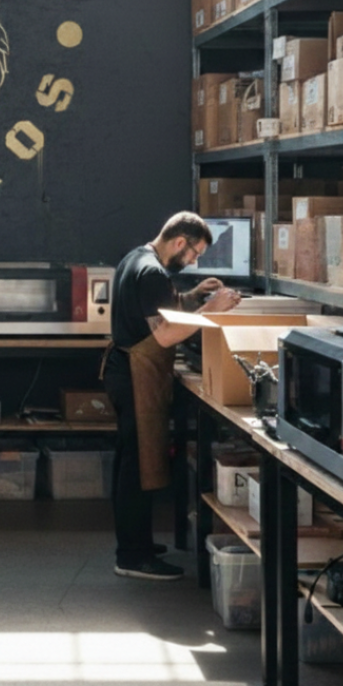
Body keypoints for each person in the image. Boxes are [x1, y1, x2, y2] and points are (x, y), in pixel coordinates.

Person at [103, 212, 241, 581]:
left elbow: (158, 308)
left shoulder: (136, 258)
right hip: (136, 373)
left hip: (124, 369)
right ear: (180, 242)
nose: (194, 261)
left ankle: (137, 544)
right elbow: (163, 333)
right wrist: (210, 310)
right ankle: (132, 557)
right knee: (136, 466)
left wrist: (193, 297)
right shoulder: (152, 273)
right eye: (195, 253)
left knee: (131, 462)